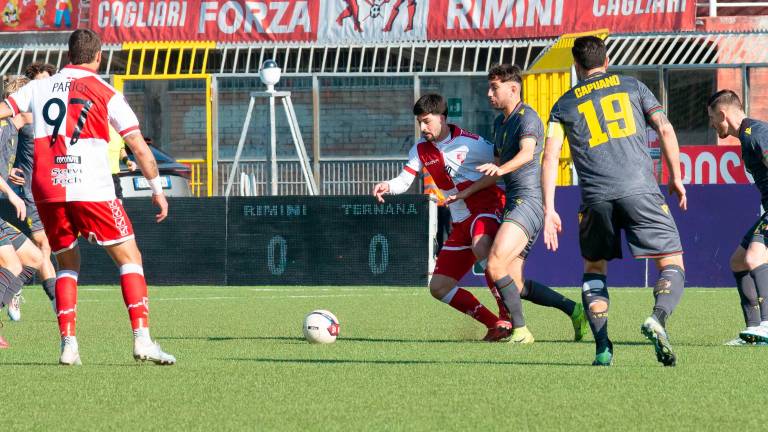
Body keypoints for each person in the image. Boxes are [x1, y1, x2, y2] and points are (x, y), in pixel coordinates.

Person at [0, 29, 175, 365]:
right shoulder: (105, 91)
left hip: (48, 191)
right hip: (91, 189)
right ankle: (142, 340)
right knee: (130, 258)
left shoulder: (38, 87)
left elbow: (5, 111)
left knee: (67, 263)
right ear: (98, 57)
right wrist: (157, 190)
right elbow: (138, 146)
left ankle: (69, 346)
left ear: (68, 55)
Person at [542, 36, 687, 366]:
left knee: (594, 268)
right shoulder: (633, 86)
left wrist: (549, 208)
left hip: (595, 198)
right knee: (671, 261)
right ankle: (657, 318)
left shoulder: (563, 104)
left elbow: (550, 158)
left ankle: (603, 347)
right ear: (606, 59)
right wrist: (675, 176)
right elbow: (664, 128)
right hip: (641, 191)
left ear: (577, 66)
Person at [373, 93, 513, 342]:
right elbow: (405, 180)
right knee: (438, 287)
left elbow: (502, 163)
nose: (422, 127)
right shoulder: (420, 148)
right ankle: (494, 325)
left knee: (482, 243)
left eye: (427, 121)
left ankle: (507, 314)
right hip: (460, 220)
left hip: (486, 206)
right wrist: (387, 185)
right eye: (419, 122)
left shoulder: (472, 143)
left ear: (443, 118)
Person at [478, 64, 587, 344]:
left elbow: (528, 154)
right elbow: (498, 166)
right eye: (489, 87)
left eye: (494, 87)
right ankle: (573, 310)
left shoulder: (528, 117)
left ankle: (521, 331)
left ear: (513, 88)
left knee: (494, 264)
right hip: (515, 203)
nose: (489, 93)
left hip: (528, 202)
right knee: (515, 283)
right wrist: (465, 193)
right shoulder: (500, 123)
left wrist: (500, 170)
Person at [707, 90, 768, 345]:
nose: (711, 124)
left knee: (754, 256)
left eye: (712, 118)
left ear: (722, 114)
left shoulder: (755, 134)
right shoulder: (747, 136)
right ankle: (754, 331)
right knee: (739, 261)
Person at [5, 63, 60, 320]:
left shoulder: (57, 111)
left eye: (46, 82)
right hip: (30, 189)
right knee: (41, 245)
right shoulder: (21, 116)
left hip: (56, 186)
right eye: (37, 82)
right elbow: (7, 145)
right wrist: (12, 171)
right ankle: (56, 303)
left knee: (46, 251)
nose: (42, 87)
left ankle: (17, 283)